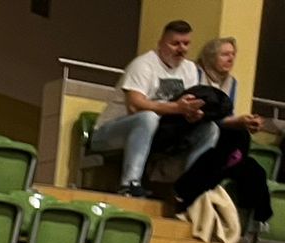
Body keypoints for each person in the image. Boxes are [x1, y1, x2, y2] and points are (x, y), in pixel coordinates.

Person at [87, 19, 219, 197]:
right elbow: (135, 105)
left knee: (209, 129)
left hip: (157, 133)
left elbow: (185, 106)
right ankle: (129, 184)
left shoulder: (189, 69)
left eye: (186, 44)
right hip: (109, 132)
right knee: (147, 117)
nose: (181, 49)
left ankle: (191, 187)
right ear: (161, 43)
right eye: (175, 44)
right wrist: (177, 108)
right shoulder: (143, 65)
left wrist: (193, 114)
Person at [172, 36, 275, 225]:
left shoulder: (232, 83)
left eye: (233, 55)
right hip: (193, 126)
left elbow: (226, 114)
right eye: (225, 54)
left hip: (220, 131)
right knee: (236, 137)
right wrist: (237, 122)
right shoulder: (194, 73)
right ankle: (228, 165)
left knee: (254, 169)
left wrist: (247, 121)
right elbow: (201, 112)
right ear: (211, 56)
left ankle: (260, 217)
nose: (230, 59)